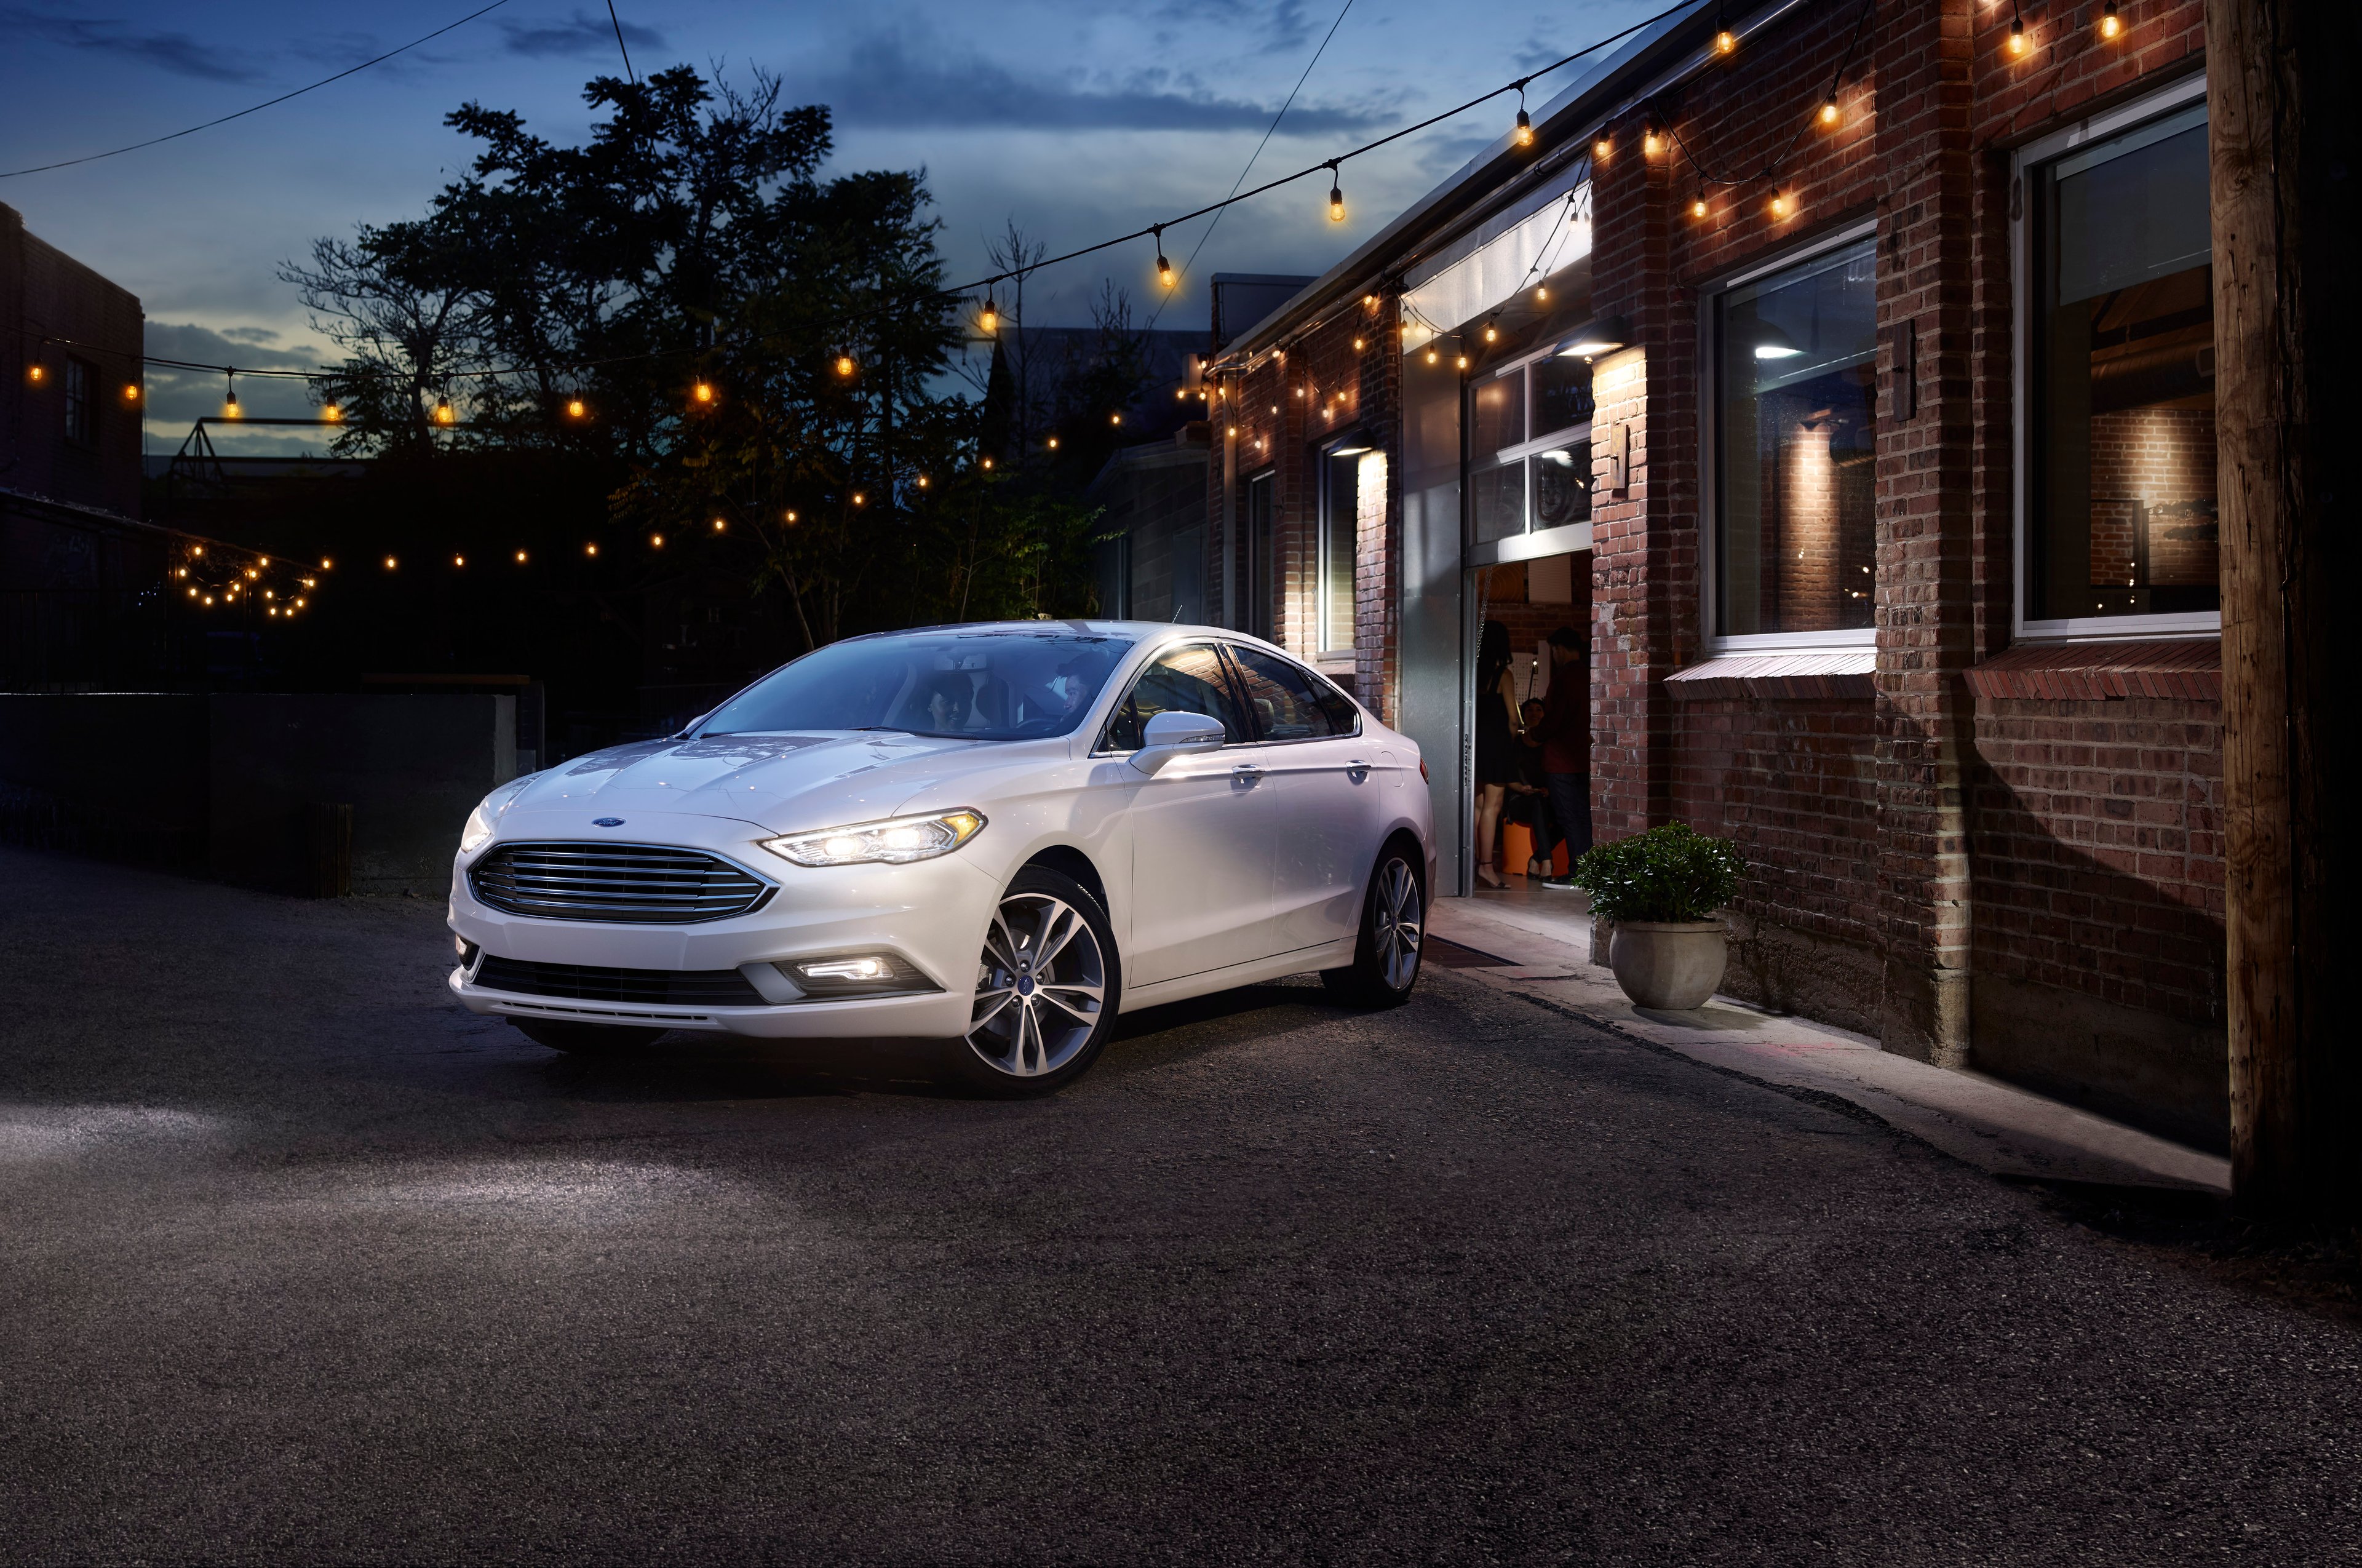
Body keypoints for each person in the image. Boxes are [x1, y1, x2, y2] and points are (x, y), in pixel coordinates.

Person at [1529, 624, 1591, 890]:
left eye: (1554, 651)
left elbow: (1553, 722)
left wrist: (1532, 735)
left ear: (1560, 650)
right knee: (1583, 816)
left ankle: (1578, 873)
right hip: (1585, 757)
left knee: (1569, 817)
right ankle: (1587, 871)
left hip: (1561, 761)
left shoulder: (1563, 680)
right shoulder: (1590, 675)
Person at [1471, 619, 1522, 889]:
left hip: (1476, 745)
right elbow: (1514, 719)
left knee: (1478, 806)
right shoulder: (1504, 675)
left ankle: (1474, 863)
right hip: (1497, 746)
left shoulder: (1474, 672)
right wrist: (1512, 739)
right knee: (1493, 806)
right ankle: (1487, 867)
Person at [1505, 699, 1556, 877]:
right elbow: (1507, 776)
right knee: (1536, 802)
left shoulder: (1551, 745)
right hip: (1519, 801)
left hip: (1545, 798)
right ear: (1523, 715)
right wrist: (1520, 788)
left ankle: (1536, 859)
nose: (1534, 714)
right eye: (1529, 710)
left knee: (1568, 817)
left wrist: (1550, 789)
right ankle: (1548, 863)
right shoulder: (1515, 743)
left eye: (1539, 710)